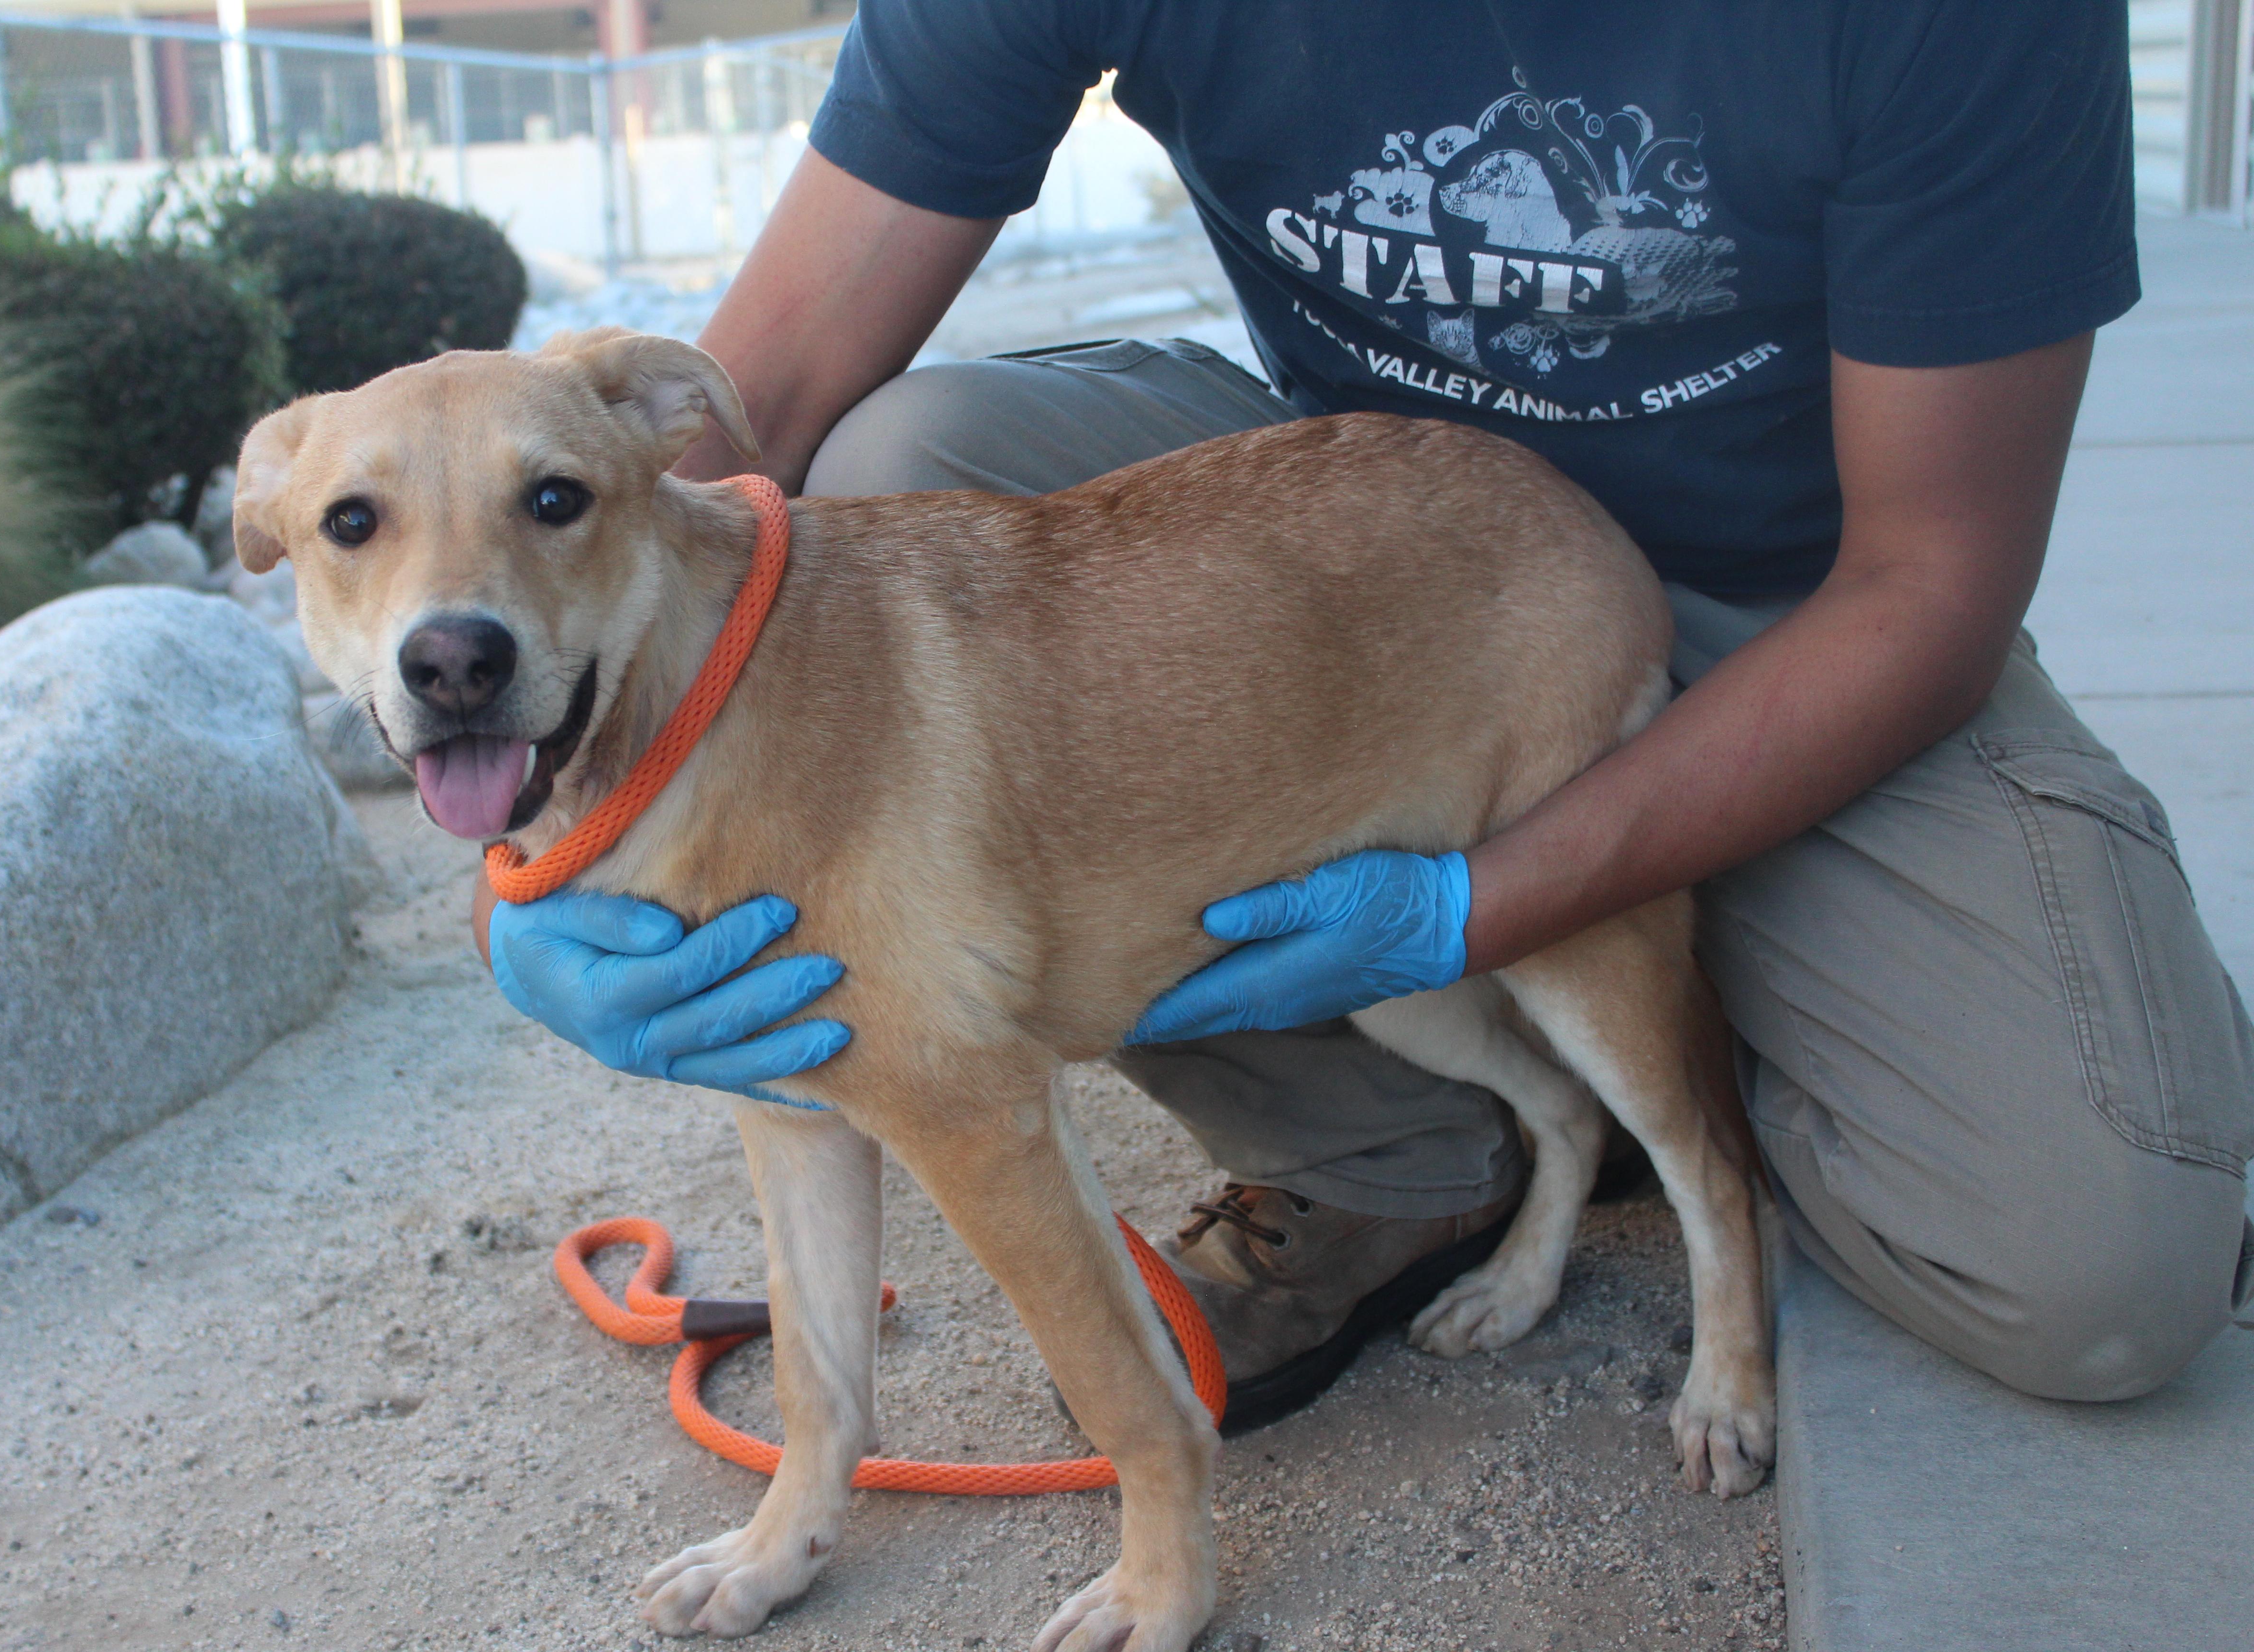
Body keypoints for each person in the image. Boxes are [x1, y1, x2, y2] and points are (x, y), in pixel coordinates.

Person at [481, 0, 2254, 1424]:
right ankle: (1390, 1147)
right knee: (896, 477)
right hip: (1375, 544)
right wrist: (560, 821)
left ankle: (1666, 1017)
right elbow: (749, 417)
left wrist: (1486, 903)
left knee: (2098, 1268)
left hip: (1808, 596)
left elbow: (1930, 589)